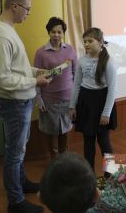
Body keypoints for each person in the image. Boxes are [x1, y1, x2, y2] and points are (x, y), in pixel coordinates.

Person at [0, 0, 51, 213]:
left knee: (19, 149)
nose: (28, 14)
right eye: (27, 9)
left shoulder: (7, 29)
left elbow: (17, 67)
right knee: (14, 153)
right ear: (14, 6)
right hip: (14, 103)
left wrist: (35, 72)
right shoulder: (1, 36)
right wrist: (35, 82)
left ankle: (22, 183)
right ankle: (15, 201)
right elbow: (2, 78)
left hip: (21, 101)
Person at [69, 27, 117, 172]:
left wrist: (106, 113)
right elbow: (76, 85)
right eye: (85, 41)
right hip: (85, 103)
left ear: (101, 42)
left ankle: (111, 175)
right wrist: (72, 106)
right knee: (88, 142)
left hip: (101, 103)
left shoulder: (108, 62)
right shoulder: (82, 61)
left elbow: (112, 90)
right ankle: (89, 175)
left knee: (104, 142)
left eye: (90, 41)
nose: (87, 44)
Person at [34, 17, 77, 159]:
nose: (56, 35)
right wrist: (39, 99)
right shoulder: (41, 53)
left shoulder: (70, 49)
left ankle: (63, 157)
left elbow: (76, 73)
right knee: (49, 130)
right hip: (49, 100)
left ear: (63, 33)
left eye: (59, 32)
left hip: (67, 98)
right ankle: (53, 157)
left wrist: (76, 99)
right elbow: (37, 77)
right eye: (53, 32)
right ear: (49, 32)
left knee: (65, 130)